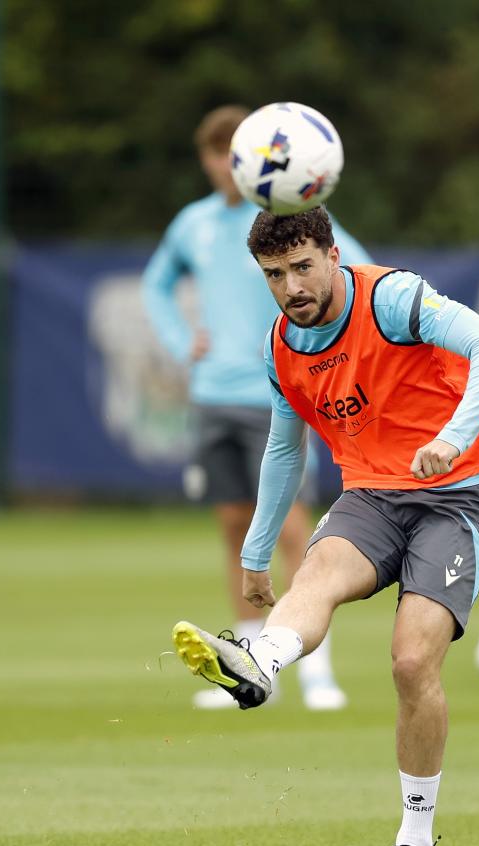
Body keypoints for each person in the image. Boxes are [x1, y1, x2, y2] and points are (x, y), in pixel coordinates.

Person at [171, 208, 479, 846]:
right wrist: (256, 552)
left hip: (457, 498)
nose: (292, 286)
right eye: (275, 275)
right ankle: (261, 663)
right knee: (320, 573)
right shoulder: (281, 345)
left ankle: (414, 842)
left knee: (412, 662)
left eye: (303, 267)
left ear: (332, 256)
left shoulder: (391, 299)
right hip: (372, 496)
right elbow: (284, 448)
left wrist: (452, 437)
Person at [143, 105, 372, 711]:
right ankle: (245, 664)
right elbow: (155, 284)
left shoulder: (288, 220)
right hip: (212, 395)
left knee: (294, 530)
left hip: (279, 394)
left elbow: (355, 271)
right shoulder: (193, 223)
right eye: (216, 153)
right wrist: (180, 341)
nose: (225, 164)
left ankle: (315, 667)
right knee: (234, 530)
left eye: (233, 151)